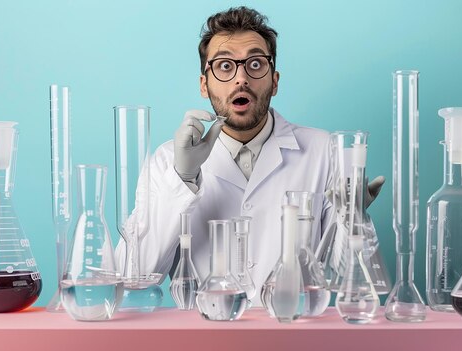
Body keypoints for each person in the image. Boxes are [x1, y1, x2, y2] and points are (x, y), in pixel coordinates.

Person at [116, 6, 384, 306]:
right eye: (225, 66)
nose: (241, 78)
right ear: (204, 84)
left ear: (275, 81)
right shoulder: (168, 162)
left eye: (255, 64)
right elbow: (130, 277)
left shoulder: (326, 151)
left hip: (294, 335)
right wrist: (182, 179)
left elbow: (361, 283)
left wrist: (355, 220)